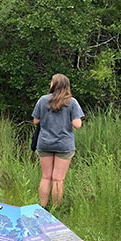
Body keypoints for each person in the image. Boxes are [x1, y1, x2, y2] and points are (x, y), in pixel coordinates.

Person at [32, 73, 84, 207]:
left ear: (54, 85)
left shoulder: (43, 100)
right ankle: (56, 211)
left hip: (44, 143)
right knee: (58, 179)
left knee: (45, 177)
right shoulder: (72, 102)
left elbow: (36, 121)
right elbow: (77, 125)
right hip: (64, 145)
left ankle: (42, 208)